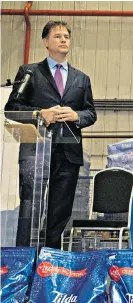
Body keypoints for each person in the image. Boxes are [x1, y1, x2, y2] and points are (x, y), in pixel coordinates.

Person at [5, 20, 96, 250]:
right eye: (57, 36)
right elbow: (12, 108)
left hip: (68, 154)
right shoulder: (29, 72)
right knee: (30, 208)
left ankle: (50, 260)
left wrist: (77, 116)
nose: (64, 39)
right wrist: (39, 113)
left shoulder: (81, 79)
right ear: (46, 42)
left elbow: (91, 113)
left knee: (59, 211)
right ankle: (24, 260)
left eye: (67, 36)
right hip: (36, 151)